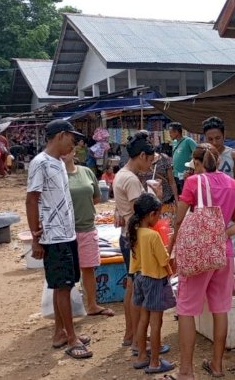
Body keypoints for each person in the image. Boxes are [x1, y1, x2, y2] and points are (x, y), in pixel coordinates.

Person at [169, 144, 235, 379]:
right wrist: (225, 233)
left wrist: (174, 245)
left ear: (197, 164)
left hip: (198, 253)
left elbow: (179, 218)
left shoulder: (193, 182)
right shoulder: (231, 183)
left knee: (186, 309)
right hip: (222, 253)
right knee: (220, 309)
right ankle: (217, 366)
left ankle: (186, 371)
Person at [25, 120, 93, 359]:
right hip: (54, 237)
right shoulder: (40, 163)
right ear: (60, 135)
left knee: (62, 285)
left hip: (67, 233)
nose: (73, 144)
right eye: (71, 139)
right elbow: (31, 200)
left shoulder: (59, 163)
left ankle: (60, 332)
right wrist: (35, 239)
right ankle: (71, 338)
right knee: (63, 287)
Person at [113, 131, 168, 355]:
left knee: (133, 286)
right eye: (150, 160)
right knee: (138, 290)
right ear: (142, 155)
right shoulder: (131, 179)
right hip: (136, 240)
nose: (150, 165)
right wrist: (157, 196)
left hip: (129, 237)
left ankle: (132, 335)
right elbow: (142, 215)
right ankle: (138, 338)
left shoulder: (122, 175)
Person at [62, 148, 115, 318]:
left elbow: (97, 197)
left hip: (87, 227)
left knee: (88, 269)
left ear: (74, 152)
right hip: (64, 231)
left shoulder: (86, 172)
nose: (65, 152)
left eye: (68, 148)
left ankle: (92, 305)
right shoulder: (56, 175)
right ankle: (68, 309)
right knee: (67, 273)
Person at [128, 193, 175, 374]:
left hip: (139, 278)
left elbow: (134, 262)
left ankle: (142, 356)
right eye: (159, 214)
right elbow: (164, 260)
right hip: (154, 280)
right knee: (156, 322)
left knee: (143, 319)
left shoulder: (134, 233)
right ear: (152, 214)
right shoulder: (152, 236)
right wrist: (170, 270)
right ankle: (155, 361)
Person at [138, 145, 178, 222]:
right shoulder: (139, 162)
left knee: (166, 228)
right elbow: (139, 183)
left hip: (166, 201)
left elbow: (172, 181)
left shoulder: (163, 159)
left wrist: (176, 200)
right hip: (148, 204)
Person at [203, 116, 235, 186]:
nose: (214, 143)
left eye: (217, 138)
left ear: (224, 135)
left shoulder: (234, 155)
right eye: (210, 139)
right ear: (205, 138)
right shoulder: (202, 156)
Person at [168, 122, 197, 194]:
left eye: (171, 132)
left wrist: (192, 168)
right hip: (176, 175)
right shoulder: (174, 142)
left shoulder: (188, 141)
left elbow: (198, 153)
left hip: (185, 175)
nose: (170, 135)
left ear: (177, 132)